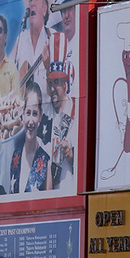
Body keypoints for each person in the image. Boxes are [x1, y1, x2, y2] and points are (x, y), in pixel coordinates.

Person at [38, 33, 76, 190]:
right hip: (50, 192)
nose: (53, 89)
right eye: (51, 83)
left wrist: (71, 155)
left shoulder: (75, 110)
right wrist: (47, 68)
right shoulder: (48, 111)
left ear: (65, 84)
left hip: (70, 188)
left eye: (57, 83)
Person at [11, 0, 51, 99]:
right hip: (24, 112)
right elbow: (8, 72)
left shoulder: (53, 37)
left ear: (44, 9)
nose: (32, 3)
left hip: (46, 110)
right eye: (30, 0)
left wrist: (48, 66)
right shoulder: (21, 38)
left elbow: (60, 87)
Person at [10, 82, 52, 193]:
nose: (31, 121)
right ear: (23, 112)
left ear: (40, 115)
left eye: (35, 113)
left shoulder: (45, 160)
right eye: (28, 113)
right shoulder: (15, 156)